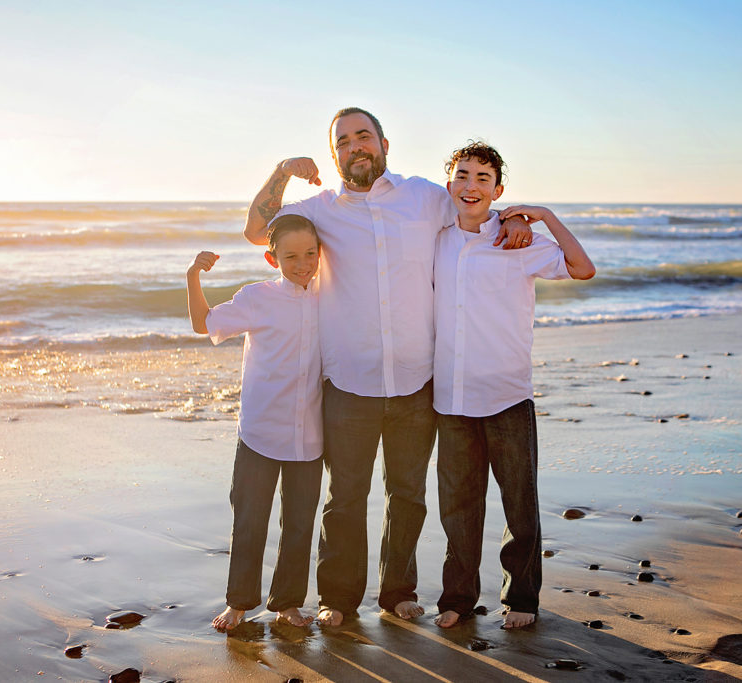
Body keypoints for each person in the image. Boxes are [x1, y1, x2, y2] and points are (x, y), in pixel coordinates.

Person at [242, 107, 532, 627]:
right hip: (348, 383)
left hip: (417, 383)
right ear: (334, 156)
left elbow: (476, 208)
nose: (356, 147)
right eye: (344, 142)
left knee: (408, 495)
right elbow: (255, 230)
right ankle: (338, 598)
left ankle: (398, 591)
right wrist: (284, 170)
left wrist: (513, 218)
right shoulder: (320, 210)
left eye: (364, 136)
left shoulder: (424, 197)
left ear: (383, 144)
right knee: (346, 497)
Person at [431, 141, 595, 630]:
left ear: (498, 191)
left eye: (483, 179)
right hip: (451, 397)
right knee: (458, 508)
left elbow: (583, 269)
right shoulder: (435, 239)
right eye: (463, 176)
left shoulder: (518, 242)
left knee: (519, 505)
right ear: (450, 185)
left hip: (506, 394)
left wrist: (541, 216)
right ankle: (456, 600)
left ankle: (521, 599)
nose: (472, 185)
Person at [186, 214, 324, 631]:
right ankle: (239, 603)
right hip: (261, 432)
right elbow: (202, 323)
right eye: (291, 257)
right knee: (249, 521)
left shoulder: (331, 297)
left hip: (311, 437)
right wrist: (193, 274)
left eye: (311, 254)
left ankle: (287, 602)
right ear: (272, 258)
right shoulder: (256, 298)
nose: (303, 264)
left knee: (299, 525)